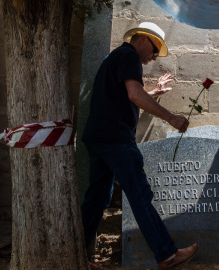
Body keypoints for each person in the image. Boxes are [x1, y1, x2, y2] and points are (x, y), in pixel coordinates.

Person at [81, 22, 198, 270]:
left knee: (97, 198)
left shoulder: (115, 57)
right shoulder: (129, 55)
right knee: (140, 195)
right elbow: (134, 94)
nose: (154, 57)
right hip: (116, 139)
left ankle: (75, 254)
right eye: (155, 50)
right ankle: (167, 255)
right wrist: (171, 117)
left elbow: (125, 96)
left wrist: (153, 93)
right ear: (143, 39)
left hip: (98, 137)